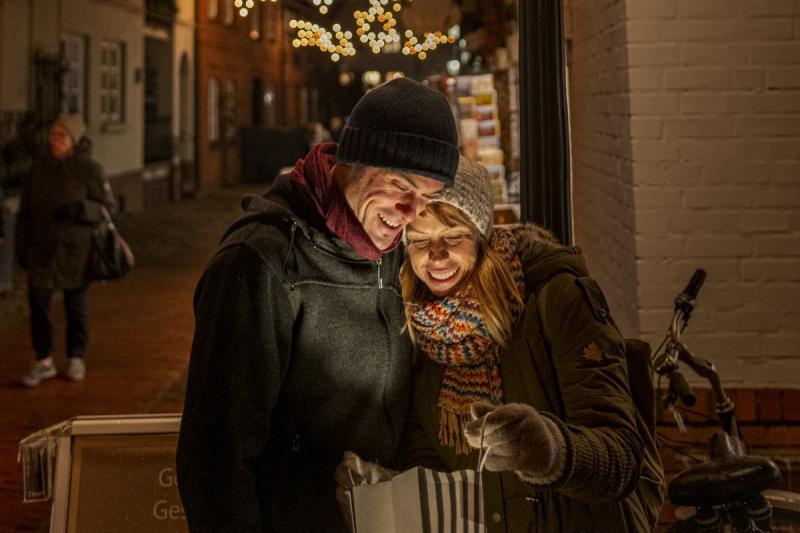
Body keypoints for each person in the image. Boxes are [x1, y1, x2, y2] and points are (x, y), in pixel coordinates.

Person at [177, 77, 460, 532]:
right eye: (399, 185)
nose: (410, 213)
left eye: (427, 197)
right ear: (352, 160)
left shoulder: (396, 258)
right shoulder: (259, 264)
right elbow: (215, 462)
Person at [336, 157, 665, 532]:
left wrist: (549, 450)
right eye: (420, 240)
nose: (435, 255)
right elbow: (429, 456)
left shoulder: (556, 299)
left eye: (453, 236)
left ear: (481, 236)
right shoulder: (420, 326)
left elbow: (622, 456)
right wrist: (389, 492)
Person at [15, 114, 115, 386]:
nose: (55, 141)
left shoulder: (89, 168)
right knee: (38, 304)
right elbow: (25, 210)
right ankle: (44, 358)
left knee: (75, 305)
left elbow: (107, 205)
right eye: (53, 135)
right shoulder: (40, 167)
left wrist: (81, 209)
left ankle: (76, 356)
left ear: (74, 139)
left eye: (61, 136)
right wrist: (21, 246)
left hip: (75, 251)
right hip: (42, 248)